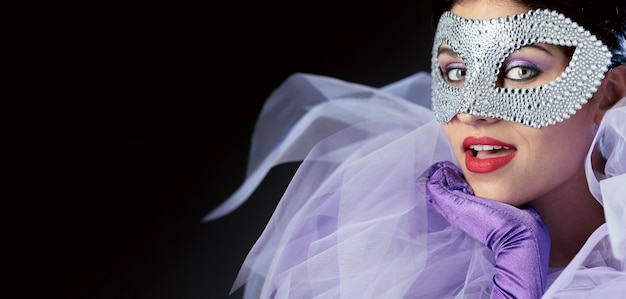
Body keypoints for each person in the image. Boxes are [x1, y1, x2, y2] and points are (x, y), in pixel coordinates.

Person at [205, 0, 626, 297]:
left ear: (608, 94)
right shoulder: (390, 258)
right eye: (456, 71)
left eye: (518, 71)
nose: (472, 111)